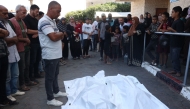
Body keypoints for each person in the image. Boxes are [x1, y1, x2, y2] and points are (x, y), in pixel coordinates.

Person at [38, 1, 67, 106]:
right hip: (49, 54)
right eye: (58, 11)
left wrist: (59, 34)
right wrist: (61, 33)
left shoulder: (52, 21)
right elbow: (54, 37)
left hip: (55, 53)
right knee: (50, 77)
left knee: (55, 75)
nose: (59, 14)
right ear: (51, 9)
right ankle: (50, 99)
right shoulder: (44, 21)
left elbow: (58, 35)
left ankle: (56, 92)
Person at [9, 5, 31, 91]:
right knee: (22, 67)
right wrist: (24, 39)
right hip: (19, 48)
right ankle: (21, 85)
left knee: (27, 65)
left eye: (25, 12)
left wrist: (27, 39)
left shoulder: (22, 21)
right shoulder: (11, 22)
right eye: (23, 12)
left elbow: (25, 32)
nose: (25, 14)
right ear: (17, 11)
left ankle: (27, 81)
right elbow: (13, 37)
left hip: (26, 47)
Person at [0, 5, 18, 106]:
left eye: (7, 13)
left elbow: (6, 33)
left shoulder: (2, 23)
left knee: (3, 79)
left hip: (3, 54)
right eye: (4, 13)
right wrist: (3, 32)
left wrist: (2, 31)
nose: (7, 16)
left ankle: (3, 99)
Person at [23, 4, 43, 87]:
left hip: (38, 42)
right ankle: (31, 77)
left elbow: (40, 30)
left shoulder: (36, 20)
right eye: (36, 11)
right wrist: (38, 32)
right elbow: (27, 31)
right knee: (32, 61)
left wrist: (38, 33)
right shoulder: (26, 19)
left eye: (38, 12)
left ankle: (36, 74)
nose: (37, 13)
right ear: (31, 10)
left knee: (38, 59)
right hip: (32, 43)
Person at [167, 6, 184, 77]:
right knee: (172, 57)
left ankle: (178, 71)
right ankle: (174, 69)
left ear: (177, 13)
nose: (171, 13)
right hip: (172, 42)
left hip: (177, 43)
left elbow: (180, 33)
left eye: (173, 12)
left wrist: (171, 29)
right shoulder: (174, 21)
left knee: (175, 57)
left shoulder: (179, 22)